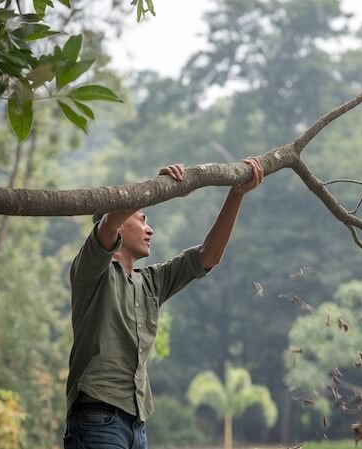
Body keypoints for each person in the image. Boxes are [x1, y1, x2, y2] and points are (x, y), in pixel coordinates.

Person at [63, 158, 264, 449]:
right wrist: (159, 190)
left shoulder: (151, 282)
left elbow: (208, 257)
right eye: (143, 219)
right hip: (97, 419)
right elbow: (108, 224)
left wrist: (236, 195)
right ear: (120, 227)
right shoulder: (91, 271)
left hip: (137, 426)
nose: (150, 229)